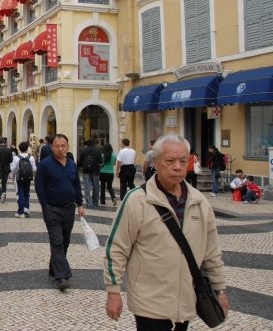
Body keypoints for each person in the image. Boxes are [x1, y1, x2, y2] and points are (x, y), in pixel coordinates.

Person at [104, 135, 229, 330]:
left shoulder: (199, 202)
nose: (177, 167)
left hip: (186, 301)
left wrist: (220, 290)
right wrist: (113, 291)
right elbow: (117, 247)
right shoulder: (137, 200)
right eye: (170, 161)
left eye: (183, 161)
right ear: (156, 162)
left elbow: (211, 253)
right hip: (149, 302)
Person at [35, 134, 85, 292]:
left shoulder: (72, 165)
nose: (60, 148)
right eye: (57, 146)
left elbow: (76, 185)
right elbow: (39, 186)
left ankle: (53, 268)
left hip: (69, 208)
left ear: (68, 147)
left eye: (63, 145)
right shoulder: (45, 165)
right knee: (56, 241)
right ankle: (61, 276)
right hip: (52, 208)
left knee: (65, 241)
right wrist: (45, 206)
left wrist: (80, 204)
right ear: (52, 147)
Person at [11, 141, 37, 218]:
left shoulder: (16, 158)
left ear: (19, 149)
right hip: (28, 178)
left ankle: (20, 211)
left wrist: (13, 175)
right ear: (27, 148)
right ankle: (26, 207)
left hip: (19, 178)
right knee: (27, 192)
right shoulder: (31, 157)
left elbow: (13, 169)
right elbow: (34, 169)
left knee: (20, 193)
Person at [78, 139, 102, 208]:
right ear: (93, 143)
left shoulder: (83, 150)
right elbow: (101, 160)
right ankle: (95, 202)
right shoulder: (97, 150)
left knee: (87, 187)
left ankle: (89, 203)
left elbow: (79, 162)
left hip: (86, 171)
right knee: (96, 187)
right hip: (95, 171)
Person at [0, 137, 13, 203]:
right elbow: (11, 160)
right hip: (6, 169)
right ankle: (3, 194)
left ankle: (1, 193)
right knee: (4, 183)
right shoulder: (9, 150)